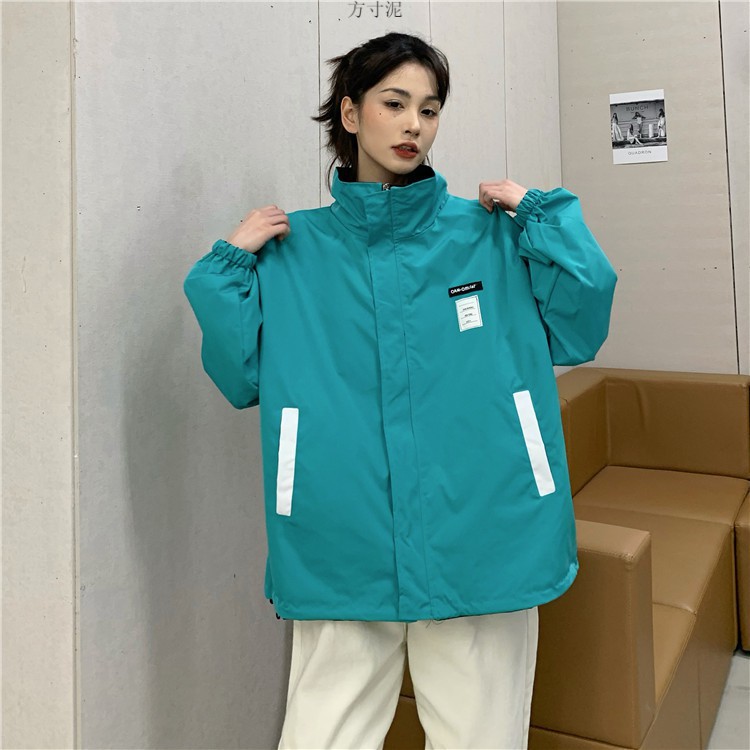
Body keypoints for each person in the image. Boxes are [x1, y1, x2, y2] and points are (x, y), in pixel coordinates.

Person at [183, 31, 617, 750]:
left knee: (480, 738)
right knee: (323, 736)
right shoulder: (294, 253)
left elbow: (581, 324)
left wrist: (544, 216)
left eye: (430, 108)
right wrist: (225, 269)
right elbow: (241, 377)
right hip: (340, 530)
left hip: (484, 525)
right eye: (395, 103)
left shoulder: (491, 236)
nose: (415, 123)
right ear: (350, 114)